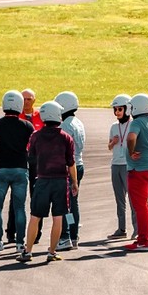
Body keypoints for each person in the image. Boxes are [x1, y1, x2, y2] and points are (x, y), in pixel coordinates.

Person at [24, 101, 77, 263]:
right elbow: (71, 163)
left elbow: (31, 157)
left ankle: (28, 251)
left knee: (35, 216)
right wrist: (74, 182)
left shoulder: (36, 136)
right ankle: (52, 251)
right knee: (58, 217)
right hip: (60, 181)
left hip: (42, 180)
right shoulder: (65, 138)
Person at [0, 91, 34, 249]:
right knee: (19, 207)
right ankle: (20, 243)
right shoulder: (27, 126)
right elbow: (33, 146)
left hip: (0, 169)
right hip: (20, 169)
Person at [123, 93, 148, 252]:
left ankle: (144, 240)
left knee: (140, 207)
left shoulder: (136, 122)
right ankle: (146, 237)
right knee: (143, 205)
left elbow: (131, 138)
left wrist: (132, 152)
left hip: (138, 169)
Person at [55, 91, 85, 250]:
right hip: (79, 164)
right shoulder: (78, 122)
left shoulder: (65, 125)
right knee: (73, 202)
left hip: (68, 166)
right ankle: (74, 235)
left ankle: (65, 235)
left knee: (65, 203)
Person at [105, 94, 132, 240]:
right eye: (115, 110)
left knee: (133, 198)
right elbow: (109, 146)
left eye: (120, 109)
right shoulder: (114, 127)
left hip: (127, 165)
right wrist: (113, 142)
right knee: (119, 199)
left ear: (127, 109)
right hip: (115, 165)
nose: (117, 112)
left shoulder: (133, 125)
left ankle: (137, 228)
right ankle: (122, 228)